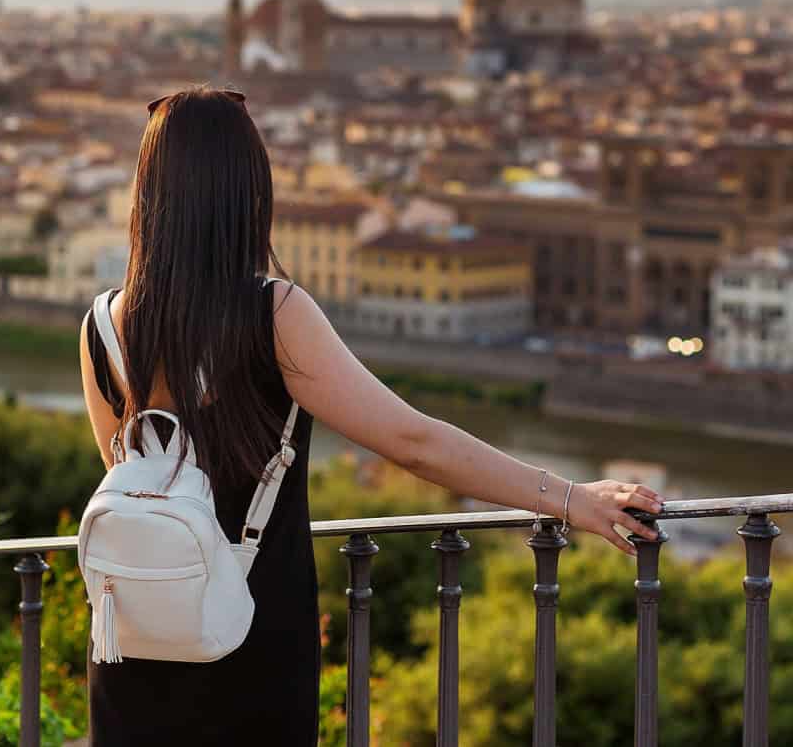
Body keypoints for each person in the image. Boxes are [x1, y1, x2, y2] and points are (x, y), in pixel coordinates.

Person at [80, 85, 664, 745]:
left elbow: (135, 486)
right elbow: (413, 441)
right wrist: (571, 498)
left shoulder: (103, 324)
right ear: (247, 190)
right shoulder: (275, 315)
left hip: (131, 647)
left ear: (149, 191)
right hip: (244, 645)